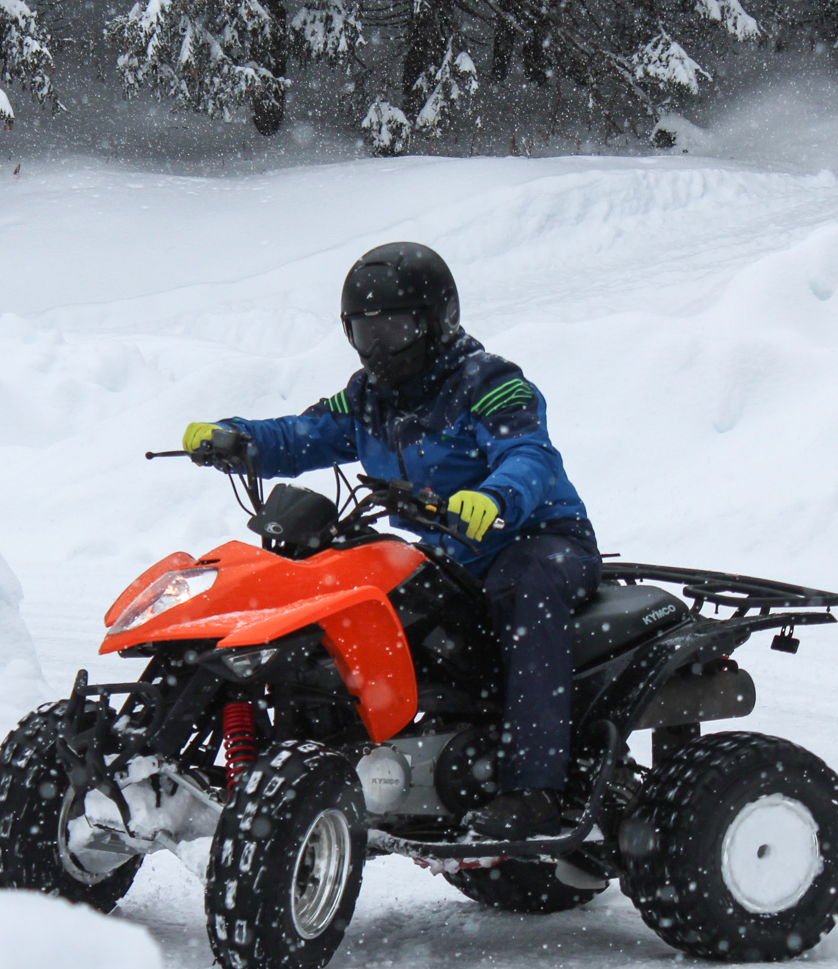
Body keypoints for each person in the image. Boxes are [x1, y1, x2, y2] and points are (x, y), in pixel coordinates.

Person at [181, 242, 600, 839]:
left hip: (536, 539)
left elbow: (528, 453)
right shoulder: (369, 398)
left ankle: (533, 790)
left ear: (437, 322)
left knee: (523, 586)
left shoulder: (490, 382)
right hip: (449, 555)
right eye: (364, 332)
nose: (379, 348)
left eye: (396, 329)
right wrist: (236, 439)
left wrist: (495, 498)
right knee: (345, 593)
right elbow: (304, 434)